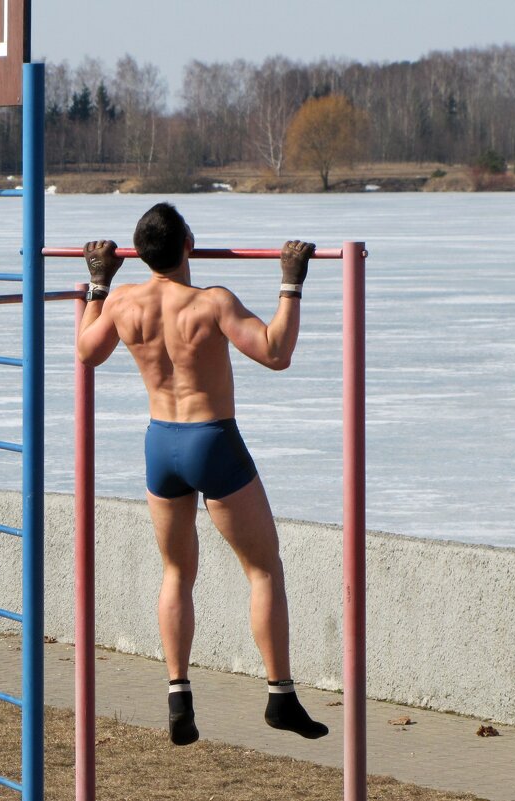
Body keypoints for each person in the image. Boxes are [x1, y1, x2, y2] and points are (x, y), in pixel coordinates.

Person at [76, 202, 328, 746]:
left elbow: (85, 352)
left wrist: (98, 284)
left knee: (175, 573)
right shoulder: (211, 303)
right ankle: (280, 696)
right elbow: (276, 352)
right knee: (264, 569)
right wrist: (291, 282)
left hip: (161, 444)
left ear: (139, 255)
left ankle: (178, 695)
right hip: (211, 440)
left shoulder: (122, 304)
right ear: (188, 242)